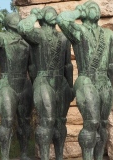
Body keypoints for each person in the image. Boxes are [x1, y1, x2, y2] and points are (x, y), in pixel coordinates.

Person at [57, 1, 113, 159]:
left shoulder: (109, 34)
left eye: (96, 7)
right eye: (90, 7)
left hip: (104, 81)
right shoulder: (78, 31)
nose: (95, 8)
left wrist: (111, 85)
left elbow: (111, 64)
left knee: (103, 123)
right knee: (91, 123)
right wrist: (78, 12)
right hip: (86, 80)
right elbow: (61, 19)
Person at [18, 6, 74, 160]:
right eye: (48, 12)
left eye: (54, 11)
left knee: (60, 121)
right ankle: (44, 156)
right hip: (43, 80)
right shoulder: (37, 35)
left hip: (61, 82)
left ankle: (60, 156)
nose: (53, 13)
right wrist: (34, 15)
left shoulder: (64, 38)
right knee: (47, 120)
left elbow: (67, 64)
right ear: (43, 17)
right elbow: (23, 29)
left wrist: (70, 86)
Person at [0, 11, 34, 160]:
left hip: (25, 84)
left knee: (25, 122)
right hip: (7, 83)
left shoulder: (27, 41)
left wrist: (36, 85)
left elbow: (32, 67)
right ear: (10, 23)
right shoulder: (2, 38)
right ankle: (5, 157)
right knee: (7, 121)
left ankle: (24, 154)